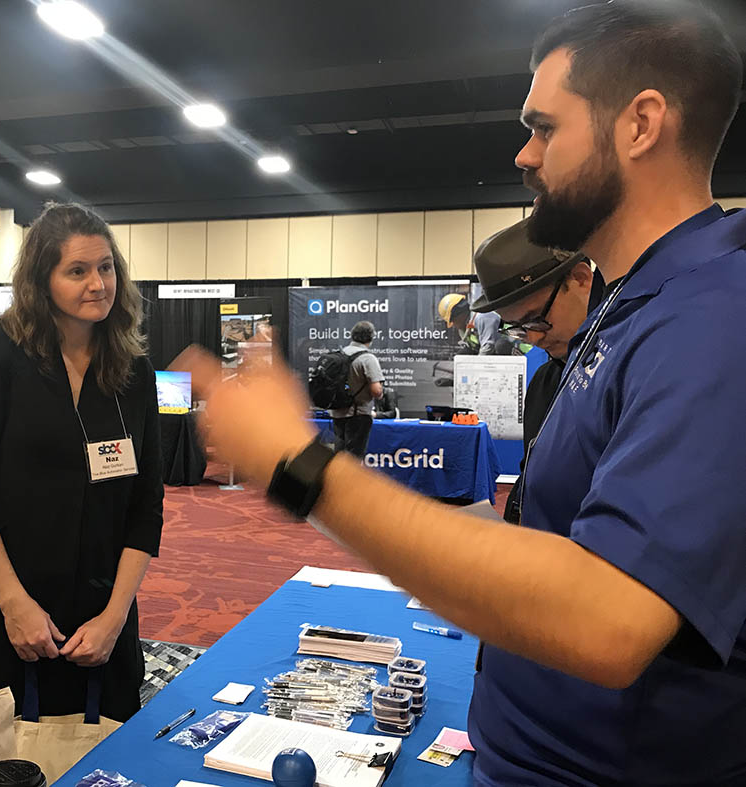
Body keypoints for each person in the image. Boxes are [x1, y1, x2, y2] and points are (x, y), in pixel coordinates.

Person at [176, 1, 746, 783]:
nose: (524, 154)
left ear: (640, 123)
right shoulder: (632, 300)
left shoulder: (716, 315)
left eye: (545, 126)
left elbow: (609, 618)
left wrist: (297, 464)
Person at [0, 202, 163, 722]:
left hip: (103, 615)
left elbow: (147, 502)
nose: (98, 283)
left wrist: (115, 618)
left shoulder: (133, 368)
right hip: (6, 607)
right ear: (41, 280)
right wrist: (14, 603)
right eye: (77, 270)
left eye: (106, 267)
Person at [470, 217, 600, 523]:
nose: (533, 337)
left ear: (581, 278)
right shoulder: (544, 381)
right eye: (517, 329)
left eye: (536, 319)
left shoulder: (629, 369)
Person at [328, 320, 384, 458]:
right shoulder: (367, 358)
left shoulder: (339, 354)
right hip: (358, 414)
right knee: (354, 459)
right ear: (371, 337)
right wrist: (381, 393)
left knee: (339, 455)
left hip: (337, 412)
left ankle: (335, 480)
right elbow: (376, 391)